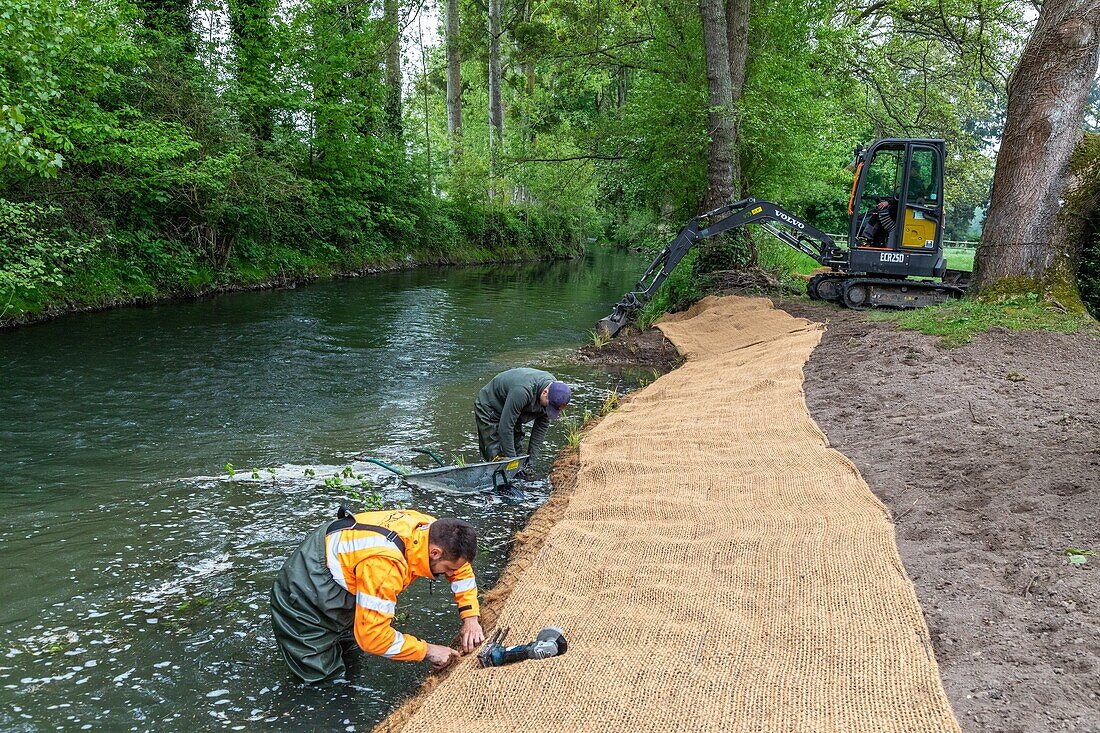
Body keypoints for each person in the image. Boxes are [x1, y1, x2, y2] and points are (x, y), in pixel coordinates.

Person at [270, 508, 485, 683]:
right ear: (435, 553)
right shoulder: (386, 567)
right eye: (447, 569)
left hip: (343, 569)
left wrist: (471, 618)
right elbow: (373, 638)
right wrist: (428, 650)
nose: (449, 575)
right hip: (303, 594)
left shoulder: (430, 529)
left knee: (351, 659)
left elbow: (461, 570)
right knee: (325, 683)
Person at [473, 368, 571, 468]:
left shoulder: (554, 392)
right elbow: (505, 428)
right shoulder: (522, 391)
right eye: (548, 406)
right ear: (545, 393)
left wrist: (530, 462)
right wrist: (513, 463)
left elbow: (540, 430)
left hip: (514, 408)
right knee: (496, 455)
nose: (548, 410)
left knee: (516, 448)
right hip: (490, 407)